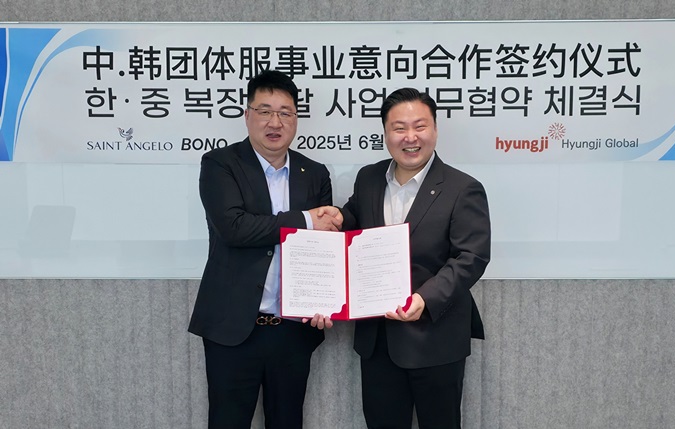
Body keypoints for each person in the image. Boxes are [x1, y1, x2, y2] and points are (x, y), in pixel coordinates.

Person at [188, 69, 339, 429]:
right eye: (265, 111)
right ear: (247, 115)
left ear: (296, 119)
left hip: (292, 330)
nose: (275, 122)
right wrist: (305, 220)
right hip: (233, 328)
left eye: (285, 112)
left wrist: (326, 301)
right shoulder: (221, 164)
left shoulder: (314, 173)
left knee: (287, 422)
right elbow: (234, 228)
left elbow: (323, 249)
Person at [338, 87, 491, 429]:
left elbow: (472, 256)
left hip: (435, 338)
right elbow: (354, 220)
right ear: (385, 133)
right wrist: (335, 218)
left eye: (420, 126)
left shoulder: (462, 188)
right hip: (378, 339)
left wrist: (424, 298)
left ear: (435, 129)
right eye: (399, 128)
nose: (410, 137)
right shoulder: (369, 178)